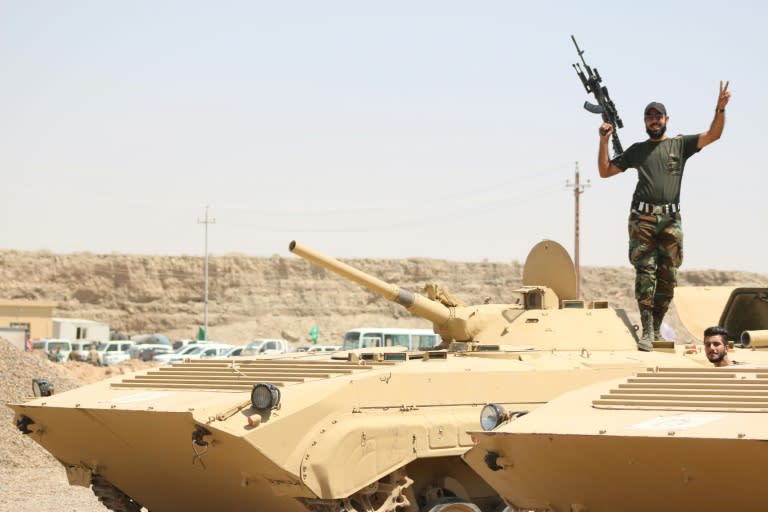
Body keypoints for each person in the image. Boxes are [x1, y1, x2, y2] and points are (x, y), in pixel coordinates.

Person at [597, 81, 731, 351]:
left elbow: (714, 135)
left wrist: (720, 108)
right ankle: (646, 330)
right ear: (645, 121)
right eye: (650, 116)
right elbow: (605, 171)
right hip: (642, 219)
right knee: (645, 274)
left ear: (666, 119)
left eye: (658, 116)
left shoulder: (680, 145)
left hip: (671, 220)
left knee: (668, 276)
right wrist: (603, 141)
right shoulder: (637, 150)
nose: (654, 120)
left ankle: (657, 326)